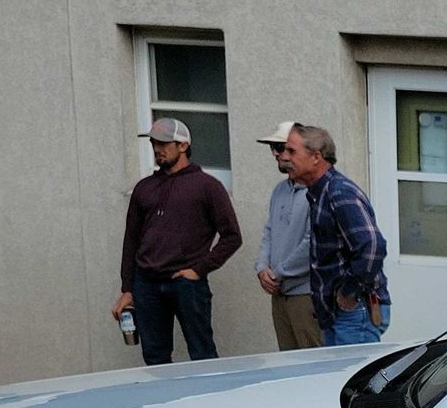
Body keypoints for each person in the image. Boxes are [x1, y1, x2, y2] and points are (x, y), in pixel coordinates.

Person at [112, 117, 241, 365]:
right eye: (153, 143)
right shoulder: (144, 188)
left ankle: (210, 392)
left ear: (183, 146)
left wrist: (198, 270)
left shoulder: (207, 186)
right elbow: (131, 241)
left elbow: (232, 236)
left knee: (202, 354)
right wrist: (127, 289)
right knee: (154, 358)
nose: (157, 149)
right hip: (147, 284)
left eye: (163, 144)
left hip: (186, 283)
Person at [279, 125, 390, 346]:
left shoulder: (339, 192)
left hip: (354, 313)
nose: (284, 157)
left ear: (316, 157)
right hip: (337, 313)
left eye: (292, 151)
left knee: (354, 370)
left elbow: (372, 247)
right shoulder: (319, 192)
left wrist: (348, 292)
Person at [252, 120, 320, 350]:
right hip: (279, 294)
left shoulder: (317, 192)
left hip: (306, 294)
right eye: (274, 148)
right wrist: (262, 268)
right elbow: (269, 232)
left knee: (313, 361)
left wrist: (278, 274)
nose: (276, 154)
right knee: (287, 361)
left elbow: (312, 244)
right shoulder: (280, 190)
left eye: (281, 148)